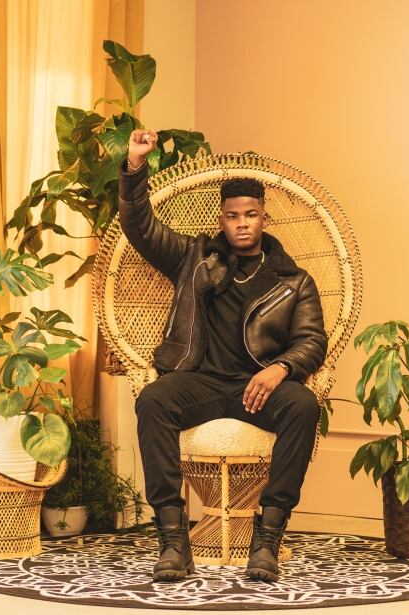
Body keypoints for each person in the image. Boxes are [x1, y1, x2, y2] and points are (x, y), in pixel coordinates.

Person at [118, 129, 328, 582]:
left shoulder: (294, 280)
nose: (242, 223)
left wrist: (281, 369)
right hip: (202, 383)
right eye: (233, 216)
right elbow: (140, 228)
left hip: (259, 390)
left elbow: (312, 341)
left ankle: (267, 537)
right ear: (223, 220)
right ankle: (173, 539)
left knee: (304, 405)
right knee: (153, 399)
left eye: (251, 214)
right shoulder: (192, 256)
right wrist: (135, 166)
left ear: (264, 219)